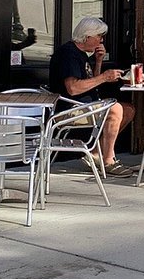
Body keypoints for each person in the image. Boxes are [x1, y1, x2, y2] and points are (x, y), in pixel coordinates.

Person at [48, 16, 136, 176]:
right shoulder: (69, 54)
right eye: (99, 36)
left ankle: (96, 153)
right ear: (87, 36)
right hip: (68, 109)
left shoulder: (81, 54)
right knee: (115, 109)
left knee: (128, 109)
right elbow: (73, 88)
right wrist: (104, 77)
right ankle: (108, 160)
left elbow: (90, 83)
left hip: (84, 105)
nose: (101, 41)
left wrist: (99, 61)